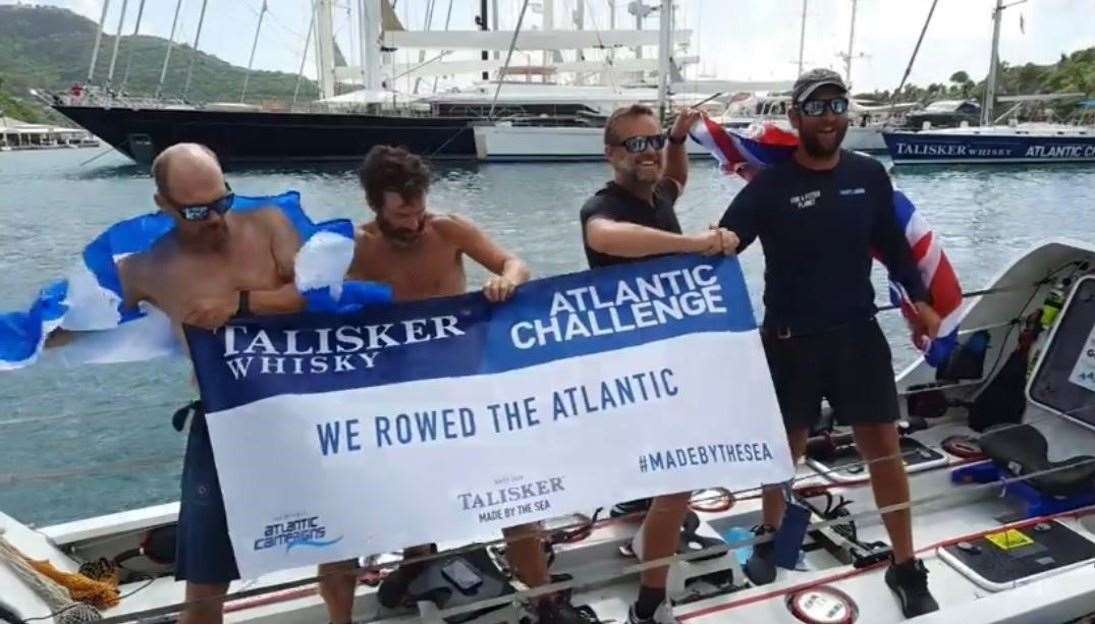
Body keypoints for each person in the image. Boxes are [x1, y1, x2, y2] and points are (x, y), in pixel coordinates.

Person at [315, 145, 596, 624]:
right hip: (389, 394)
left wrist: (504, 282)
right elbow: (301, 305)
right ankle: (347, 614)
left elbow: (514, 264)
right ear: (375, 205)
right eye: (402, 210)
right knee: (350, 514)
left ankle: (544, 598)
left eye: (419, 205)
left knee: (513, 493)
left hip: (459, 388)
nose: (415, 219)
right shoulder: (351, 248)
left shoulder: (448, 230)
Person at [717, 68, 942, 618]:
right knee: (781, 456)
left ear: (848, 112)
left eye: (836, 105)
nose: (828, 117)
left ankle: (906, 565)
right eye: (815, 108)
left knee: (884, 453)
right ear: (795, 118)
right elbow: (722, 247)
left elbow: (893, 244)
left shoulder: (869, 174)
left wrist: (921, 301)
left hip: (857, 337)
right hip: (790, 342)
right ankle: (772, 538)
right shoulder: (769, 186)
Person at [115, 143, 312, 623]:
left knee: (344, 538)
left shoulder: (268, 224)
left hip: (306, 412)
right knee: (205, 578)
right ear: (163, 205)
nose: (214, 219)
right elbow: (66, 325)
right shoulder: (144, 267)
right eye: (197, 210)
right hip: (225, 421)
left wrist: (240, 305)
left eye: (222, 201)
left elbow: (319, 294)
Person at [579, 104, 735, 624]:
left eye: (651, 143)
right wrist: (692, 245)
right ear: (611, 154)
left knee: (675, 480)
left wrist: (675, 139)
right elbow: (604, 238)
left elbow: (675, 179)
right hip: (635, 368)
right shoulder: (604, 205)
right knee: (678, 477)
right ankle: (649, 606)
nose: (647, 154)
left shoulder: (659, 193)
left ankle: (650, 535)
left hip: (676, 359)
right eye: (635, 144)